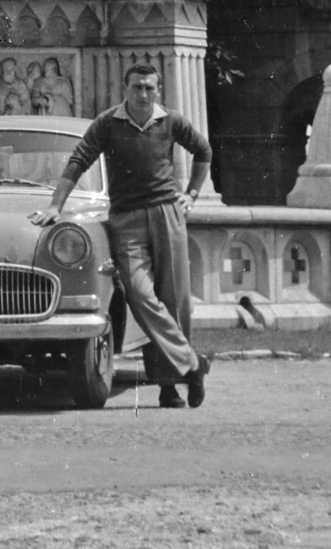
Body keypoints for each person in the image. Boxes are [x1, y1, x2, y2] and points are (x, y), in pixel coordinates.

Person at [30, 63, 212, 410]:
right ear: (125, 89)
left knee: (175, 300)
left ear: (158, 90)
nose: (143, 94)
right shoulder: (107, 123)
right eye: (137, 88)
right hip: (126, 219)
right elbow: (79, 160)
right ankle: (192, 364)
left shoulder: (171, 121)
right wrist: (56, 205)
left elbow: (203, 151)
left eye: (149, 88)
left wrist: (192, 194)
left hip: (167, 214)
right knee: (141, 296)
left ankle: (170, 388)